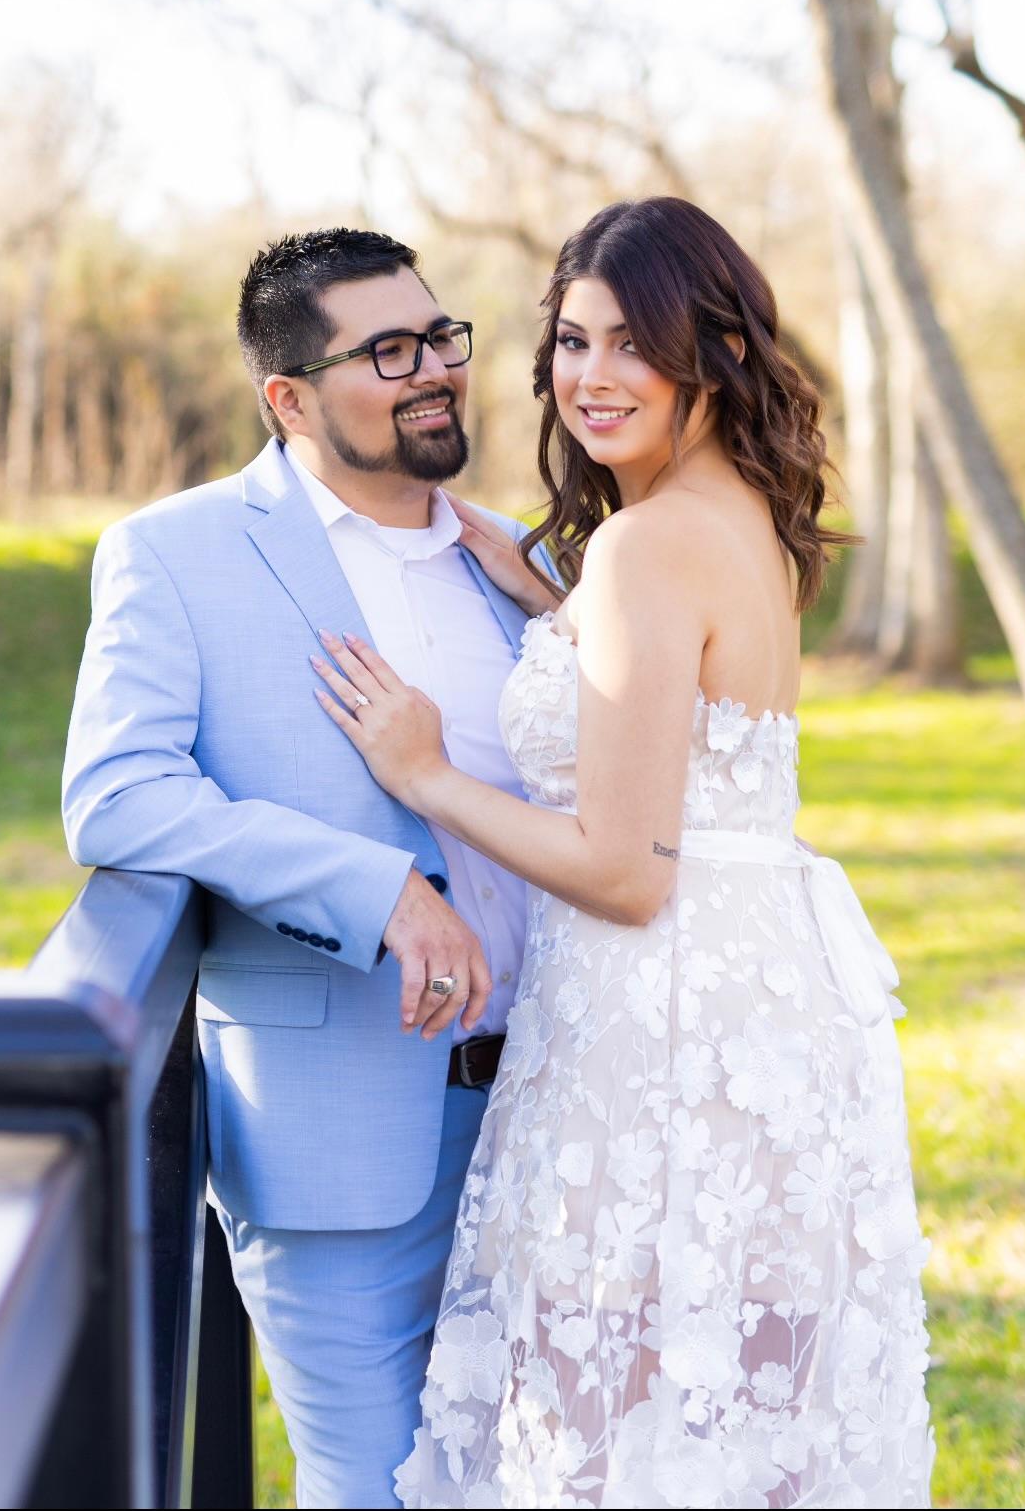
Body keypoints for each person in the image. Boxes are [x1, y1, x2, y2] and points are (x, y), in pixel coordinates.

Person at [312, 197, 935, 1508]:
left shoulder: (647, 544)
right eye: (572, 340)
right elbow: (682, 723)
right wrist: (564, 608)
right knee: (726, 1406)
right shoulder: (743, 514)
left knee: (615, 1417)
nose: (592, 376)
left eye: (633, 344)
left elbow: (626, 867)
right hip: (759, 995)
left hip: (665, 1017)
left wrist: (424, 773)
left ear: (714, 351)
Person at [61, 227, 561, 1510]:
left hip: (563, 1118)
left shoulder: (525, 558)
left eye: (439, 336)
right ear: (287, 397)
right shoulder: (174, 551)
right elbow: (118, 793)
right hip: (337, 1132)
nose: (433, 369)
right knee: (379, 1488)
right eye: (387, 351)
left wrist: (564, 612)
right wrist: (374, 888)